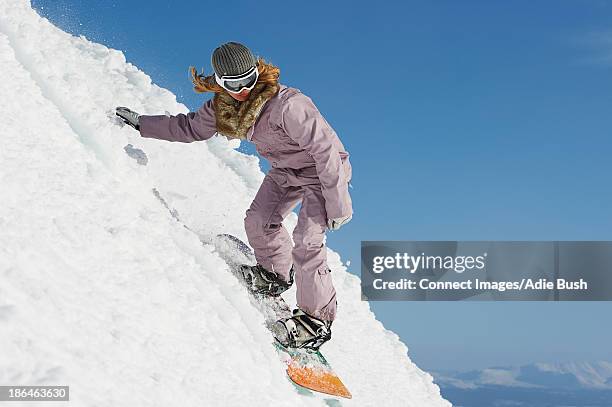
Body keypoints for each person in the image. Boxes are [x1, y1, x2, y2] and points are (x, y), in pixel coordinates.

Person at [116, 42, 353, 350]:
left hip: (321, 173)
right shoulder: (222, 108)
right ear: (220, 82)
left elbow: (326, 152)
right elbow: (188, 128)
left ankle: (316, 321)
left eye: (248, 80)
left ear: (258, 73)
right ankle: (274, 275)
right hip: (285, 171)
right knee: (258, 220)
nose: (242, 90)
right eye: (233, 84)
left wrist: (338, 205)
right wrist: (142, 124)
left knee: (308, 240)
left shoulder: (288, 105)